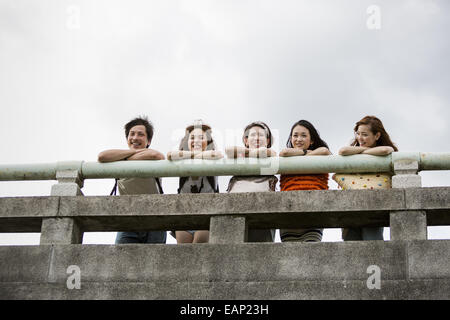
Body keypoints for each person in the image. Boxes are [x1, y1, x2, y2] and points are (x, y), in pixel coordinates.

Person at [97, 116, 167, 244]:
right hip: (128, 221)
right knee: (120, 260)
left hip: (155, 220)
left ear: (148, 140)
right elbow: (102, 156)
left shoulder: (150, 157)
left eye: (141, 134)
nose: (135, 138)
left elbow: (156, 155)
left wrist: (122, 159)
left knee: (154, 262)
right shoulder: (120, 157)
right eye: (132, 134)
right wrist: (130, 154)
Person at [335, 115, 398, 241]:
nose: (360, 138)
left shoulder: (385, 150)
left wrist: (361, 151)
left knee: (373, 240)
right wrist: (365, 150)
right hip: (351, 206)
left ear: (377, 136)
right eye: (358, 134)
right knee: (351, 245)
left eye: (364, 134)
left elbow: (386, 150)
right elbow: (342, 151)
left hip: (374, 206)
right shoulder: (352, 149)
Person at [167, 120, 223, 243]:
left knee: (199, 250)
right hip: (184, 214)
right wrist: (194, 155)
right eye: (192, 138)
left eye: (201, 137)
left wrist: (195, 155)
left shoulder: (212, 159)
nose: (196, 141)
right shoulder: (182, 160)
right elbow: (170, 155)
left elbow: (218, 155)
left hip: (206, 215)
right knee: (184, 255)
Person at [279, 120, 331, 242]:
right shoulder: (286, 156)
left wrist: (302, 156)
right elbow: (284, 152)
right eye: (295, 135)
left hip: (314, 210)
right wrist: (306, 153)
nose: (299, 139)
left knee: (312, 253)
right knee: (289, 254)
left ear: (312, 140)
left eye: (304, 135)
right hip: (289, 211)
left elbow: (324, 151)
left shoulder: (321, 155)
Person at [225, 121, 278, 242]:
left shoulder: (272, 155)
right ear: (246, 140)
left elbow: (268, 152)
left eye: (261, 135)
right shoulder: (237, 155)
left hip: (263, 208)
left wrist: (247, 153)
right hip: (236, 206)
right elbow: (228, 150)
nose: (257, 138)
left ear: (268, 140)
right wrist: (254, 153)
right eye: (252, 135)